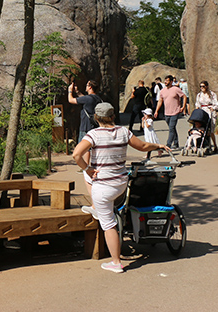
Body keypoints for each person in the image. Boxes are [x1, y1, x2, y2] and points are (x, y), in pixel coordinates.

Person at [72, 102, 170, 273]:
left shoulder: (93, 134)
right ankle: (98, 208)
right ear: (112, 116)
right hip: (120, 184)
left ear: (96, 117)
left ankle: (116, 262)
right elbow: (143, 146)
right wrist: (159, 146)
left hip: (103, 187)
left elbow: (76, 154)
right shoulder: (124, 131)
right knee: (107, 203)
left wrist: (87, 168)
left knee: (108, 223)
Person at [154, 75, 187, 150]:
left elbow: (184, 96)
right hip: (166, 113)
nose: (165, 82)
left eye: (167, 80)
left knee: (171, 128)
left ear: (171, 82)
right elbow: (160, 101)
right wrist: (156, 111)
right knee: (172, 128)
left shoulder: (176, 89)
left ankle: (168, 145)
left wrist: (183, 107)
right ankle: (176, 143)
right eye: (165, 80)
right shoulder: (163, 90)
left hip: (175, 112)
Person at [194, 80, 218, 152]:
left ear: (207, 86)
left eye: (203, 86)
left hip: (210, 112)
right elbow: (197, 104)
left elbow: (217, 104)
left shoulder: (212, 94)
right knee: (202, 129)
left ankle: (214, 145)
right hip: (202, 112)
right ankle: (204, 144)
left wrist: (213, 108)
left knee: (210, 130)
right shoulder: (199, 95)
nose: (201, 88)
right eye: (200, 86)